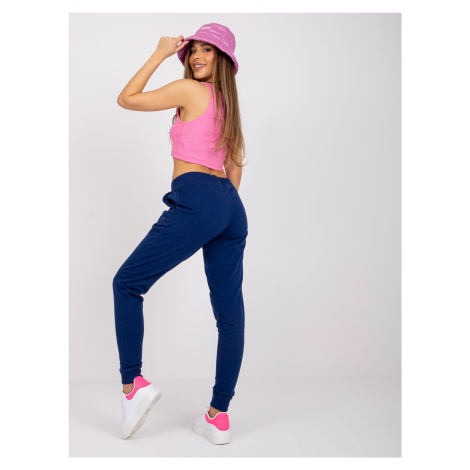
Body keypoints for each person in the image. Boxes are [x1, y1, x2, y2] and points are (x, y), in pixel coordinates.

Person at [113, 23, 248, 445]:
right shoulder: (228, 103)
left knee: (126, 284)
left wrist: (159, 52)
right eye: (193, 50)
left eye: (208, 50)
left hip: (200, 197)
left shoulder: (190, 91)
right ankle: (218, 417)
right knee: (230, 315)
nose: (197, 56)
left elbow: (127, 98)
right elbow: (234, 163)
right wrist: (220, 211)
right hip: (230, 207)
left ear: (223, 59)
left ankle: (133, 386)